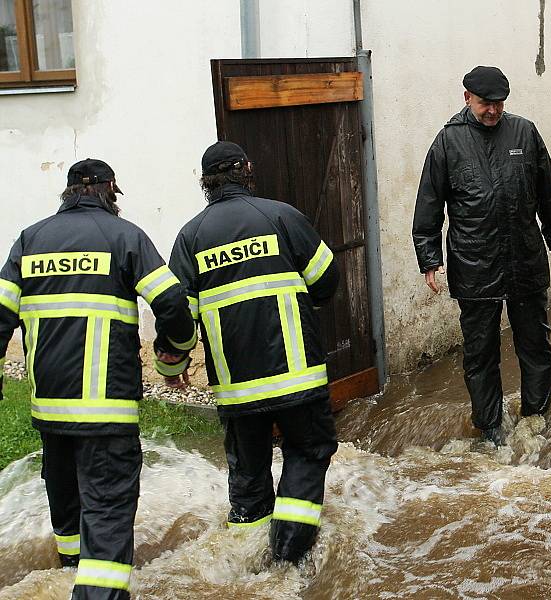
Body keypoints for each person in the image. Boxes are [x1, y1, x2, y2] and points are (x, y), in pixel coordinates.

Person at [0, 159, 196, 599]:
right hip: (106, 413)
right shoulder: (125, 237)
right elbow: (171, 302)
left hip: (50, 412)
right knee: (107, 515)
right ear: (110, 190)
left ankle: (65, 573)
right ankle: (98, 588)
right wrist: (173, 351)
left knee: (67, 507)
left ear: (68, 192)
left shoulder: (30, 239)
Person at [165, 141, 339, 564]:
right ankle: (288, 558)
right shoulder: (280, 216)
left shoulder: (190, 237)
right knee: (308, 452)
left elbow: (178, 316)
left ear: (205, 182)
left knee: (248, 472)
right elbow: (326, 279)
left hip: (237, 388)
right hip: (297, 377)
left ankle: (246, 563)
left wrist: (173, 361)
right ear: (247, 169)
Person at [412, 66, 551, 445]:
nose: (493, 111)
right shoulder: (448, 142)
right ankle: (490, 427)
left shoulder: (524, 132)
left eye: (499, 104)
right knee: (480, 353)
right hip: (474, 264)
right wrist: (429, 258)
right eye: (486, 103)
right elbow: (429, 204)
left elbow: (550, 191)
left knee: (535, 344)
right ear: (467, 97)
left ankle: (536, 417)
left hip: (524, 259)